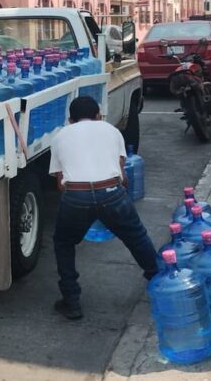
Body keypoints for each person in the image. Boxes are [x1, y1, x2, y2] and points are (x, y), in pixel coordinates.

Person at [49, 96, 159, 320]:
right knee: (137, 237)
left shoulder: (60, 136)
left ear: (70, 120)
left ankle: (72, 301)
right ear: (99, 115)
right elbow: (123, 176)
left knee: (64, 243)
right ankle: (159, 281)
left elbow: (60, 184)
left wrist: (82, 199)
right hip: (111, 193)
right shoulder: (112, 131)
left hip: (76, 196)